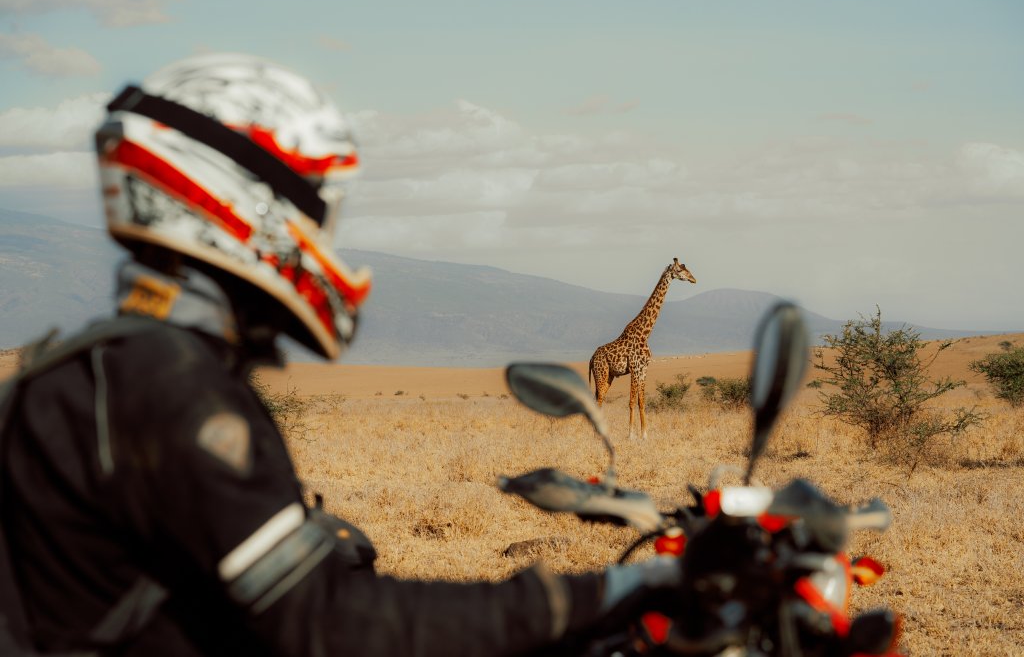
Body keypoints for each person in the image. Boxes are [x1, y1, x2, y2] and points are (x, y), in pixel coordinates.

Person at [0, 54, 680, 656]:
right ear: (238, 206)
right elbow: (326, 625)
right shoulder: (171, 388)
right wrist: (594, 598)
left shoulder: (86, 369)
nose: (317, 235)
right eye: (305, 208)